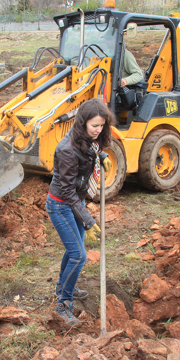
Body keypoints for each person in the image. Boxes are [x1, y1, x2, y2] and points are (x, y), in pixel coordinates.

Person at [47, 98, 114, 326]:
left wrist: (101, 156)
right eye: (94, 125)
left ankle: (63, 286)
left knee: (73, 249)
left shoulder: (88, 139)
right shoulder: (67, 149)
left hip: (76, 202)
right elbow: (66, 191)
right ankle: (63, 304)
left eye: (102, 125)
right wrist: (87, 219)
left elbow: (91, 149)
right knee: (78, 254)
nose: (99, 129)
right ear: (83, 122)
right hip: (61, 204)